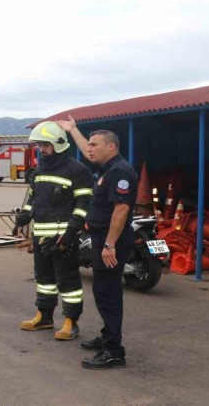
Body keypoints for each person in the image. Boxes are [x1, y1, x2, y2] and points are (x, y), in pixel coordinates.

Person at [58, 116, 137, 370]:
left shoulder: (120, 171)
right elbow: (85, 149)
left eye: (94, 144)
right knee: (103, 291)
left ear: (111, 147)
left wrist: (109, 245)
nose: (89, 149)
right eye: (89, 144)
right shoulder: (106, 168)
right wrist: (73, 131)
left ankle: (114, 351)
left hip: (111, 240)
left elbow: (121, 210)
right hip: (102, 238)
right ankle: (107, 337)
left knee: (108, 294)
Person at [14, 122, 93, 341]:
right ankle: (44, 316)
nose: (41, 149)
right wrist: (23, 218)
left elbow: (83, 204)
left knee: (68, 282)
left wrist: (69, 234)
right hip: (40, 238)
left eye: (45, 145)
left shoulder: (77, 170)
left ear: (58, 144)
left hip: (63, 239)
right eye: (39, 145)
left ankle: (70, 322)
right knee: (44, 279)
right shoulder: (39, 171)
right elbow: (33, 199)